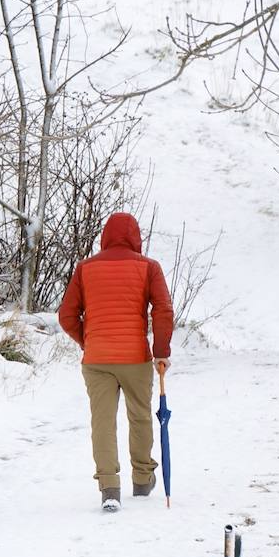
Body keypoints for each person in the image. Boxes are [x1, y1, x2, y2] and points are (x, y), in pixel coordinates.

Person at [57, 212, 174, 512]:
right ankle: (142, 478)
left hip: (97, 360)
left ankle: (109, 487)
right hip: (135, 358)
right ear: (136, 237)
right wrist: (161, 350)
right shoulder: (149, 267)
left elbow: (67, 316)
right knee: (140, 416)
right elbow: (162, 310)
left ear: (105, 237)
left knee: (103, 421)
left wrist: (89, 339)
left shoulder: (85, 268)